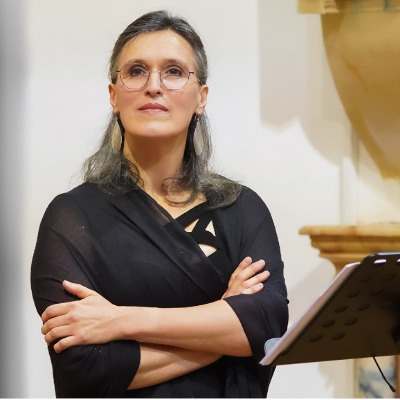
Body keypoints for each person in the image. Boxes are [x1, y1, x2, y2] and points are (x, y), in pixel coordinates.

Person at [31, 10, 288, 398]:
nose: (154, 86)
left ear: (201, 97)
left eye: (173, 71)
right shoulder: (70, 218)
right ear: (113, 96)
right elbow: (85, 368)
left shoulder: (241, 208)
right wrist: (224, 325)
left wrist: (120, 321)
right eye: (136, 71)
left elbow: (267, 327)